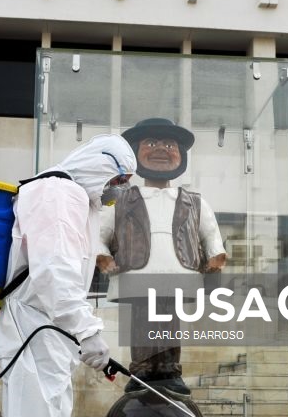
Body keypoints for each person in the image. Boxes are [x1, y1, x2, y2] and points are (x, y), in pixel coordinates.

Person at [0, 133, 136, 417]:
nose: (116, 191)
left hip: (51, 330)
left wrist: (78, 335)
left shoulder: (77, 199)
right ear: (98, 165)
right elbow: (54, 274)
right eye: (116, 179)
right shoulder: (56, 192)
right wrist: (89, 332)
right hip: (33, 326)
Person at [97, 118, 227, 394]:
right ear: (136, 151)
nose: (161, 149)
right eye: (151, 143)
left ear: (180, 154)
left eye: (169, 144)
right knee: (141, 323)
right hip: (136, 271)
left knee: (170, 322)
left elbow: (210, 234)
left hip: (178, 271)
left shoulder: (195, 202)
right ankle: (142, 371)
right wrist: (102, 256)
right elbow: (98, 234)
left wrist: (216, 256)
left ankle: (170, 371)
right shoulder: (119, 200)